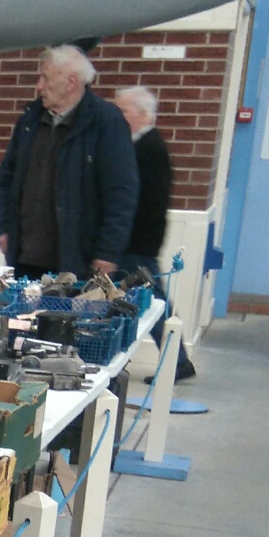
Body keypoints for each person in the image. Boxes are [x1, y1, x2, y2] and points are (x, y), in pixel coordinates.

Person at [0, 46, 139, 282]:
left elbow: (121, 193)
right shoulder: (29, 121)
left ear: (71, 82)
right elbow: (7, 179)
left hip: (76, 264)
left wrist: (107, 252)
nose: (39, 86)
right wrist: (3, 228)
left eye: (46, 78)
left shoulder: (105, 123)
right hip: (24, 259)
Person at [112, 85, 197, 382]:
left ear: (143, 114)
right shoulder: (139, 146)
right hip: (134, 241)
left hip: (136, 242)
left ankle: (178, 361)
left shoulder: (149, 149)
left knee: (153, 303)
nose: (118, 116)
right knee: (137, 300)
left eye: (123, 110)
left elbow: (145, 202)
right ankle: (174, 360)